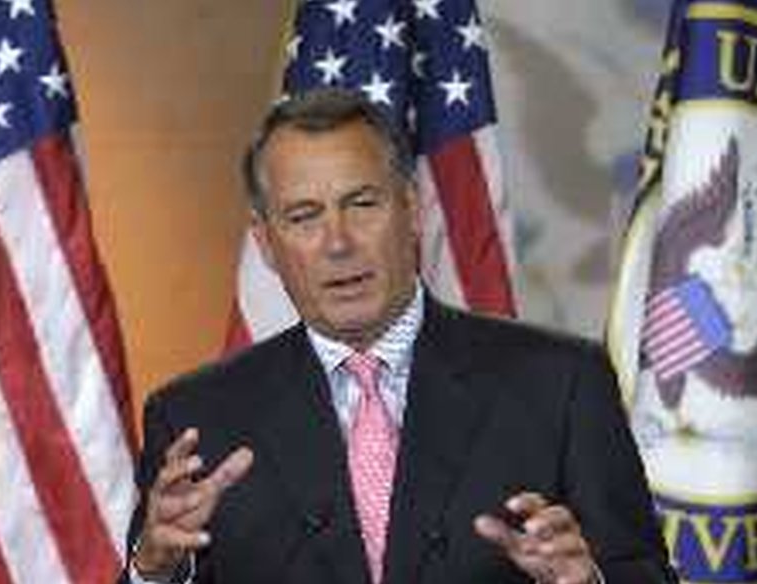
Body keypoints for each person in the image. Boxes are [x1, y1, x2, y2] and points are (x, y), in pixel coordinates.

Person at [121, 88, 675, 584]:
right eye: (304, 216)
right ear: (266, 243)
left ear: (411, 209)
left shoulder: (560, 384)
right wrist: (154, 569)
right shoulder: (196, 418)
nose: (338, 243)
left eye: (362, 204)